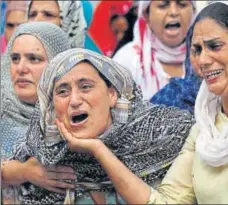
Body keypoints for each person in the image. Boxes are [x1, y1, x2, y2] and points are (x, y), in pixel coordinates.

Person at [49, 1, 228, 204]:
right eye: (196, 49)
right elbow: (166, 201)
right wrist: (99, 150)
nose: (203, 60)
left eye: (215, 46)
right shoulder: (205, 126)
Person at [12, 48, 194, 204]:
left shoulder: (165, 134)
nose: (74, 100)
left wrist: (99, 150)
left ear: (112, 94)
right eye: (62, 91)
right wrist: (18, 172)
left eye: (85, 87)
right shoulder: (44, 161)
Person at [0, 22, 76, 204]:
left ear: (58, 65)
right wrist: (22, 171)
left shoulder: (79, 114)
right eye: (15, 58)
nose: (21, 68)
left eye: (34, 59)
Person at [113, 0, 198, 101]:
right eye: (163, 5)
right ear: (146, 14)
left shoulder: (206, 58)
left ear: (193, 12)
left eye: (182, 4)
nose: (173, 12)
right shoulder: (126, 61)